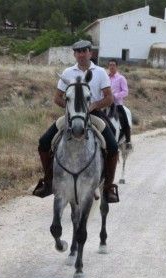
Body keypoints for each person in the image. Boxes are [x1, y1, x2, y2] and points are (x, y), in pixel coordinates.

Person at [33, 40, 120, 203]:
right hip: (71, 116)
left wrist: (94, 104)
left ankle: (108, 187)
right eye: (78, 51)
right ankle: (49, 181)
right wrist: (72, 108)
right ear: (74, 54)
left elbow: (109, 97)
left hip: (94, 115)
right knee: (44, 142)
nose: (81, 54)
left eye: (84, 51)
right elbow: (57, 98)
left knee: (113, 147)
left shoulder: (100, 72)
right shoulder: (67, 72)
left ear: (90, 53)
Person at [107, 59, 132, 149]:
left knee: (125, 120)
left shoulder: (121, 78)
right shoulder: (106, 78)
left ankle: (128, 141)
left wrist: (115, 96)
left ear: (116, 66)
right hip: (105, 104)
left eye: (113, 65)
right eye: (110, 65)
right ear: (108, 66)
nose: (111, 67)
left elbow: (125, 92)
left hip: (117, 105)